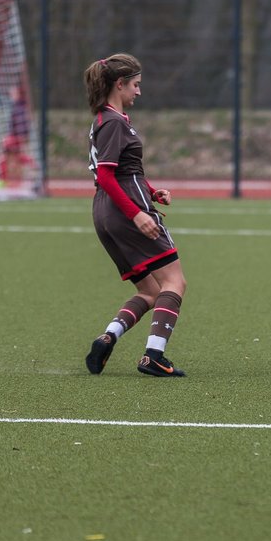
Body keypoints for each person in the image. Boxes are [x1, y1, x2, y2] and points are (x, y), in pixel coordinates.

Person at [81, 53, 187, 378]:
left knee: (150, 291)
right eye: (135, 85)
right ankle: (154, 354)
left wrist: (153, 191)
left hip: (106, 211)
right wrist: (139, 214)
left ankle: (109, 336)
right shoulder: (113, 122)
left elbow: (125, 170)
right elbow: (109, 176)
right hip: (125, 207)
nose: (138, 92)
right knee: (174, 281)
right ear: (119, 84)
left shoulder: (106, 119)